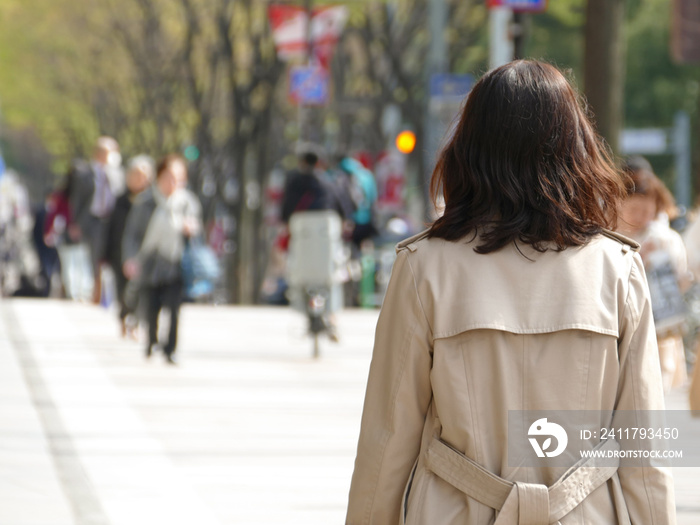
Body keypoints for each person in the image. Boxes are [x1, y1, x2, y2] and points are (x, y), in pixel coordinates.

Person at [346, 60, 675, 524]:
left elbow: (388, 435)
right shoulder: (616, 269)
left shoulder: (425, 267)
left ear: (469, 147)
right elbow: (644, 447)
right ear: (575, 147)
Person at [617, 161, 690, 393]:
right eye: (634, 210)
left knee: (653, 390)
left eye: (647, 212)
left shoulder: (665, 239)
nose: (641, 217)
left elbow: (682, 279)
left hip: (660, 328)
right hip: (620, 326)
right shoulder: (605, 235)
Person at [121, 154, 201, 365]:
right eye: (169, 177)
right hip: (150, 260)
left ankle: (170, 349)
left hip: (176, 261)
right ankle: (151, 341)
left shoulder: (187, 202)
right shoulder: (146, 201)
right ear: (159, 177)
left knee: (174, 308)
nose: (173, 183)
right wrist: (130, 258)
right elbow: (132, 233)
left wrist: (191, 229)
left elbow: (198, 230)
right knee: (151, 305)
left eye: (178, 178)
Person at [68, 136, 124, 303]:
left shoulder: (118, 174)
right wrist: (74, 223)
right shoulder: (84, 173)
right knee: (92, 256)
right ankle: (91, 291)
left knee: (108, 256)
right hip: (90, 220)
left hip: (111, 221)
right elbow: (76, 200)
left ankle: (106, 293)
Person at [105, 155, 154, 338]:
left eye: (143, 175)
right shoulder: (120, 200)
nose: (139, 179)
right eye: (135, 175)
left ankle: (135, 321)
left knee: (140, 291)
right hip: (119, 253)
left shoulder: (151, 202)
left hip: (143, 255)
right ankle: (123, 318)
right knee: (121, 290)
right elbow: (110, 228)